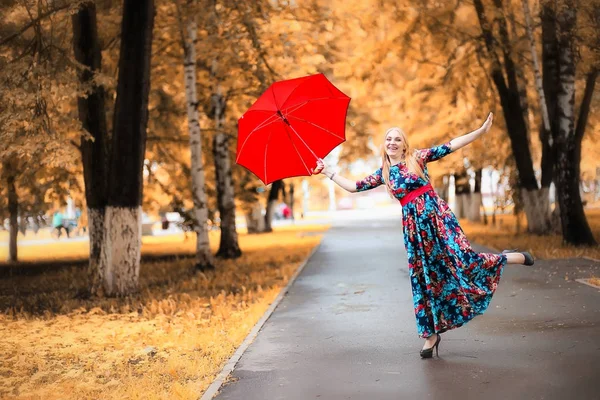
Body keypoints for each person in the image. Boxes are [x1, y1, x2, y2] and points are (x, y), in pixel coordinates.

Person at [312, 112, 534, 358]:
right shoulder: (384, 173)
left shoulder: (417, 158)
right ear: (384, 146)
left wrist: (480, 132)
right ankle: (430, 336)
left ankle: (508, 258)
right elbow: (354, 186)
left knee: (462, 261)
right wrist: (327, 171)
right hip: (415, 231)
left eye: (397, 139)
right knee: (424, 278)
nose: (392, 142)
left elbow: (450, 145)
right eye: (388, 139)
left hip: (438, 220)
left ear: (404, 144)